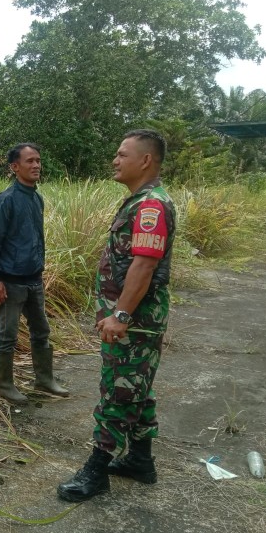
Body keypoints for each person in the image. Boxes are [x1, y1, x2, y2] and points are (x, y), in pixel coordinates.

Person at [58, 129, 175, 502]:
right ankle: (140, 460)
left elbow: (143, 264)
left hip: (135, 320)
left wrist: (121, 314)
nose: (115, 160)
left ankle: (96, 469)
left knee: (118, 390)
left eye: (123, 154)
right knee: (135, 386)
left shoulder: (150, 206)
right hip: (134, 319)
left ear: (145, 161)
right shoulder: (140, 201)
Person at [0, 143, 69, 405]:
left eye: (38, 161)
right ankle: (5, 384)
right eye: (29, 161)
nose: (36, 165)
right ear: (15, 167)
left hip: (34, 279)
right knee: (7, 334)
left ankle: (44, 379)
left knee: (41, 330)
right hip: (11, 281)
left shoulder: (36, 198)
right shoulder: (6, 200)